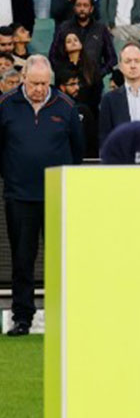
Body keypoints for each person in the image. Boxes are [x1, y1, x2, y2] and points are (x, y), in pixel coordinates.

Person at [1, 56, 85, 335]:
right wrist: (11, 176)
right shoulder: (6, 105)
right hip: (20, 196)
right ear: (23, 77)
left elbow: (77, 150)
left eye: (44, 83)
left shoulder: (66, 106)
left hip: (57, 195)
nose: (39, 89)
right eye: (34, 83)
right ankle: (22, 317)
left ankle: (64, 314)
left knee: (61, 258)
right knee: (22, 260)